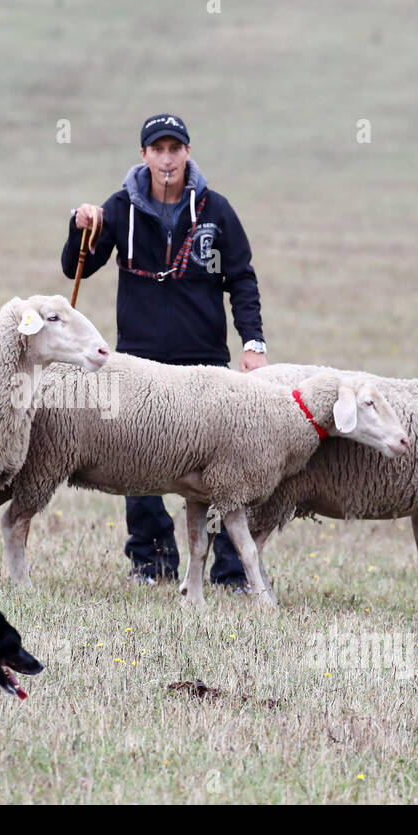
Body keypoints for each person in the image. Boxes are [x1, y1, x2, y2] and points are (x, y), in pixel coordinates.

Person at [61, 113, 268, 589]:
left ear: (188, 153)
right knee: (139, 463)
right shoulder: (119, 209)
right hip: (138, 359)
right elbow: (77, 266)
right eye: (158, 149)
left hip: (204, 360)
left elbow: (241, 278)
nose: (167, 158)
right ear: (145, 156)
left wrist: (253, 343)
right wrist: (81, 227)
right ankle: (151, 563)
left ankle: (230, 572)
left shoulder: (216, 210)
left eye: (176, 148)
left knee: (222, 471)